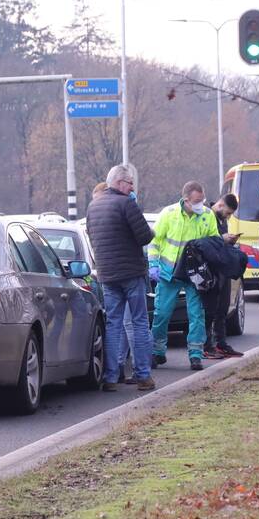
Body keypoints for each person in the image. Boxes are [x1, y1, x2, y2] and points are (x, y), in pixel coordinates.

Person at [85, 165, 156, 391]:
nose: (132, 187)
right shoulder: (127, 204)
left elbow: (91, 235)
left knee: (113, 324)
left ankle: (110, 377)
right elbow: (144, 236)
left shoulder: (93, 206)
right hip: (131, 272)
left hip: (106, 273)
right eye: (130, 183)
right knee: (139, 322)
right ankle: (143, 375)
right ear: (119, 182)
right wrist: (151, 233)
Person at [149, 181, 219, 371]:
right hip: (168, 273)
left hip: (194, 275)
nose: (200, 205)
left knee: (196, 315)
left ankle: (196, 354)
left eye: (202, 200)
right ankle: (157, 352)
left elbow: (214, 241)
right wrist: (153, 264)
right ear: (185, 200)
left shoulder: (207, 215)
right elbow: (154, 241)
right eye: (196, 201)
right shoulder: (169, 214)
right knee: (162, 314)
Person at [203, 194, 245, 359]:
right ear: (220, 205)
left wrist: (229, 240)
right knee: (210, 309)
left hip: (222, 267)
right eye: (227, 213)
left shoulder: (222, 220)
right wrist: (222, 239)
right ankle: (207, 345)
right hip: (210, 269)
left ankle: (221, 343)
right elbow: (204, 241)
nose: (228, 217)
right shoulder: (206, 216)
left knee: (223, 307)